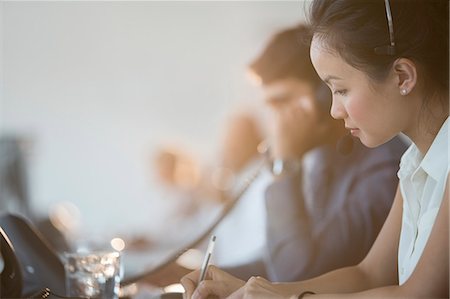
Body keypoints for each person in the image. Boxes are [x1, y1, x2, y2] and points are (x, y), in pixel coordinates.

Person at [180, 0, 449, 298]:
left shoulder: (397, 164)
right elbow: (368, 274)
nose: (335, 110)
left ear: (402, 76)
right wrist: (249, 289)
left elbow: (421, 294)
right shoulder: (414, 164)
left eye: (342, 90)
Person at [218, 24, 406, 282]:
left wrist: (284, 164)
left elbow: (297, 273)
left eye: (281, 101)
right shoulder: (320, 161)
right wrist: (206, 277)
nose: (275, 123)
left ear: (323, 93)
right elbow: (276, 258)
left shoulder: (386, 166)